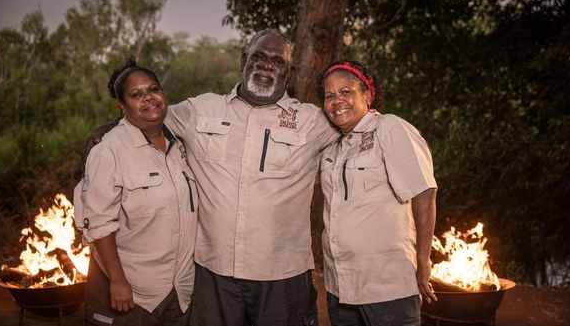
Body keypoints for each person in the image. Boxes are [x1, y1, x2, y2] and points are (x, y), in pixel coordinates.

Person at [165, 29, 339, 326]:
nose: (266, 64)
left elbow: (358, 129)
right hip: (213, 271)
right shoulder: (200, 109)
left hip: (282, 276)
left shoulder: (313, 121)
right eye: (258, 56)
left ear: (290, 72)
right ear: (244, 60)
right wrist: (103, 137)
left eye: (277, 60)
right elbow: (147, 118)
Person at [74, 59, 197, 326]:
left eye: (153, 89)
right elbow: (99, 222)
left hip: (178, 292)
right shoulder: (108, 151)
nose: (148, 98)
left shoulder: (181, 145)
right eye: (136, 94)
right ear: (121, 105)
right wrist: (118, 280)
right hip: (133, 293)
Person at [316, 60, 438, 326]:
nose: (337, 101)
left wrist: (423, 259)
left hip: (387, 288)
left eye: (346, 91)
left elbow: (423, 193)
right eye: (329, 95)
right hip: (340, 287)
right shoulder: (331, 146)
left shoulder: (390, 128)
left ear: (367, 95)